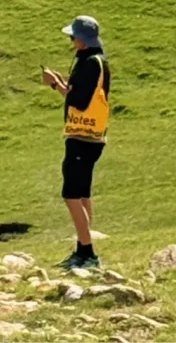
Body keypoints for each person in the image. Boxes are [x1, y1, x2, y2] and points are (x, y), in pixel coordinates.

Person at [41, 14, 111, 270]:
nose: (71, 41)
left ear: (81, 40)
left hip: (82, 136)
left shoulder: (89, 63)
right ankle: (83, 248)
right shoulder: (97, 61)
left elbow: (78, 102)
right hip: (93, 136)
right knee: (82, 192)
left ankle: (87, 252)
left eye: (72, 37)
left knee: (71, 193)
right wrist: (64, 84)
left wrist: (55, 85)